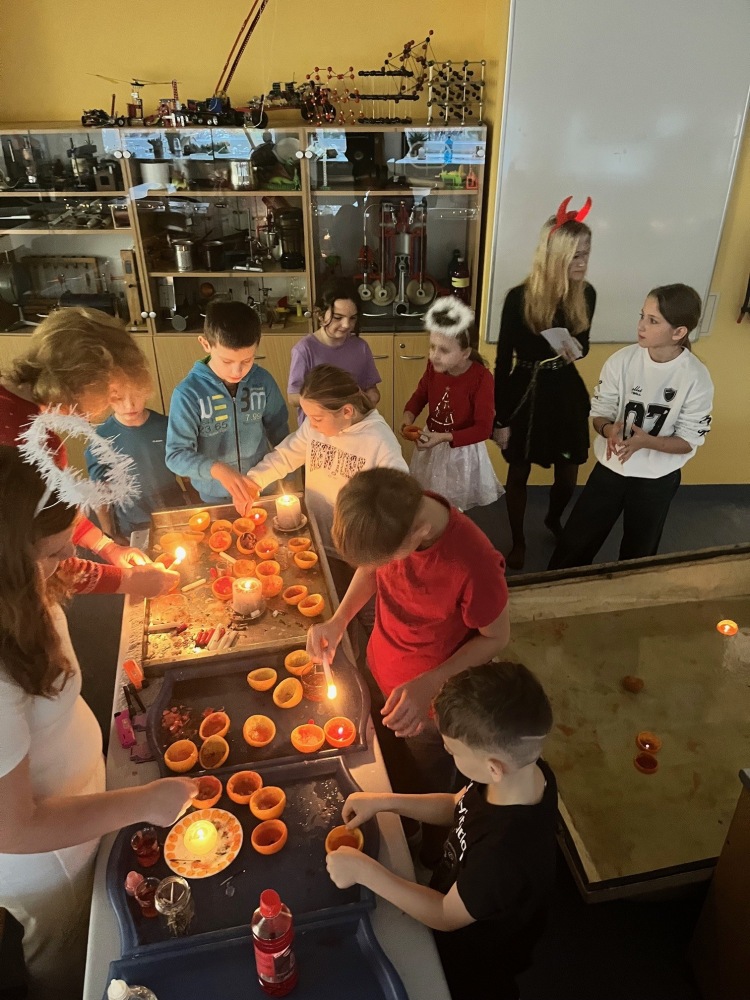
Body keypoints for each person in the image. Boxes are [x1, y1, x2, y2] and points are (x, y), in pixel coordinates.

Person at [0, 446, 197, 1000]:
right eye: (53, 551)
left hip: (88, 800)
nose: (68, 558)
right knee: (73, 960)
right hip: (48, 858)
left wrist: (125, 576)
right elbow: (14, 827)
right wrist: (143, 801)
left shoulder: (24, 589)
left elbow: (70, 568)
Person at [307, 467, 509, 866]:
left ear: (420, 532)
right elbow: (371, 568)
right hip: (382, 667)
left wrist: (430, 683)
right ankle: (405, 824)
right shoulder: (393, 514)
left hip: (428, 705)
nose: (383, 564)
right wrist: (339, 620)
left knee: (425, 777)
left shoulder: (475, 563)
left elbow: (496, 637)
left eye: (389, 557)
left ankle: (431, 850)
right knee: (388, 758)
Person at [326, 661, 557, 1000]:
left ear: (493, 768)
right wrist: (385, 801)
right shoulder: (521, 775)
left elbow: (445, 913)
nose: (447, 752)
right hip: (463, 898)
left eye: (453, 751)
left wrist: (365, 872)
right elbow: (456, 805)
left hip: (475, 952)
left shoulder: (502, 856)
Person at [0, 306, 178, 598]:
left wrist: (107, 547)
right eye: (110, 395)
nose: (104, 408)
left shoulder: (19, 410)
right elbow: (37, 562)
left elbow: (54, 511)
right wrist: (125, 581)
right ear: (80, 384)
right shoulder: (29, 447)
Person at [549, 284, 714, 569]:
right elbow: (600, 413)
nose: (641, 326)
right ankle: (557, 587)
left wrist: (646, 442)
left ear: (679, 332)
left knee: (639, 553)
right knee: (574, 544)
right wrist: (608, 430)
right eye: (642, 316)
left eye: (653, 321)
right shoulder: (622, 361)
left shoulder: (696, 377)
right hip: (611, 470)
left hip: (657, 479)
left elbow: (688, 441)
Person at [493, 197, 596, 570]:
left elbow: (584, 344)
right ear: (554, 256)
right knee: (518, 473)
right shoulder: (518, 298)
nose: (583, 263)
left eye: (586, 254)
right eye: (575, 256)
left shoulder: (586, 294)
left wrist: (575, 351)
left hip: (565, 392)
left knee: (568, 475)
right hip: (525, 392)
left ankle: (553, 518)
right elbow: (502, 361)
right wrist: (500, 419)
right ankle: (518, 540)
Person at [246, 364, 407, 594]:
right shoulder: (315, 428)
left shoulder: (380, 442)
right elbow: (286, 455)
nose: (311, 424)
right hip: (319, 538)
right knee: (329, 595)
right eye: (308, 417)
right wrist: (252, 482)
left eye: (317, 418)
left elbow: (400, 501)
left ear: (347, 411)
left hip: (359, 554)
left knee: (359, 606)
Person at [165, 298, 289, 511]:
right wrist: (217, 469)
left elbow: (281, 434)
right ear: (205, 344)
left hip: (262, 488)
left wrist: (290, 480)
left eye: (247, 360)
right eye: (227, 361)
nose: (237, 372)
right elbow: (176, 455)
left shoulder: (262, 381)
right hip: (215, 497)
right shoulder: (188, 394)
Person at [401, 297, 503, 511]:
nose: (434, 356)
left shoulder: (481, 378)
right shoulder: (434, 367)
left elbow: (483, 429)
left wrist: (444, 437)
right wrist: (408, 416)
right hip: (433, 443)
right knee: (430, 499)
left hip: (460, 452)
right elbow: (420, 395)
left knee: (453, 506)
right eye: (432, 347)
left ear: (465, 353)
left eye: (444, 350)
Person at [85, 373, 188, 543]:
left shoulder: (167, 426)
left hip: (175, 516)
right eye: (119, 398)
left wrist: (199, 507)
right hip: (132, 525)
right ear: (106, 398)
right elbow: (100, 492)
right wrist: (109, 534)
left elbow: (186, 470)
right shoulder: (101, 439)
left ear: (146, 391)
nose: (129, 405)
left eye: (136, 395)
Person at [287, 278, 381, 422]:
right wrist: (326, 402)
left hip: (353, 425)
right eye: (338, 317)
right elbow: (293, 397)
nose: (346, 325)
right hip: (318, 428)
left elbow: (371, 388)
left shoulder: (360, 347)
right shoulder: (305, 350)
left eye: (352, 318)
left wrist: (371, 398)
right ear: (319, 314)